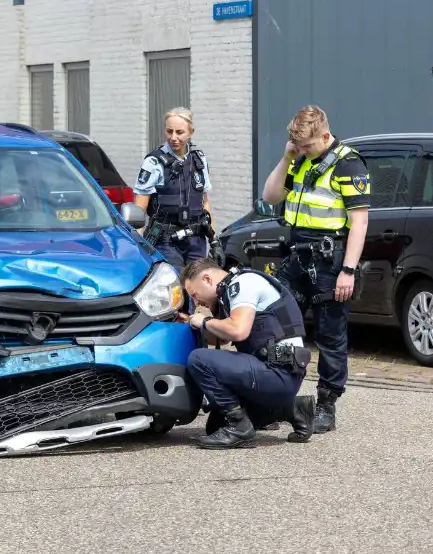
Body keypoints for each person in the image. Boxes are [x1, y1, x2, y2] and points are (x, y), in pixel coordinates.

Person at [261, 105, 370, 434]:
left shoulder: (348, 163)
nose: (303, 151)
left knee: (330, 336)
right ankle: (273, 400)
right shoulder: (300, 160)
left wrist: (347, 271)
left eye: (308, 146)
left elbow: (360, 221)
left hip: (330, 259)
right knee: (276, 326)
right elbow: (270, 196)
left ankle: (326, 405)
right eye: (300, 147)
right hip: (297, 257)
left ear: (325, 135)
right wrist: (286, 158)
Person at [178, 258, 318, 449]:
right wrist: (190, 323)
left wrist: (204, 321)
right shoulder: (227, 292)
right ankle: (293, 409)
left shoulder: (243, 283)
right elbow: (223, 338)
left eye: (194, 294)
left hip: (278, 372)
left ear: (207, 279)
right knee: (215, 426)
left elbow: (238, 330)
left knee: (199, 359)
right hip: (272, 371)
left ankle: (239, 429)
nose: (196, 301)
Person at [132, 107, 218, 270]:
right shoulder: (153, 162)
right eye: (169, 131)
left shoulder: (199, 159)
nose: (173, 137)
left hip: (196, 239)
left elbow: (205, 203)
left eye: (179, 132)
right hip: (166, 240)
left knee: (198, 290)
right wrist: (136, 243)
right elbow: (139, 210)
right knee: (174, 288)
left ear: (191, 132)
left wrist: (214, 239)